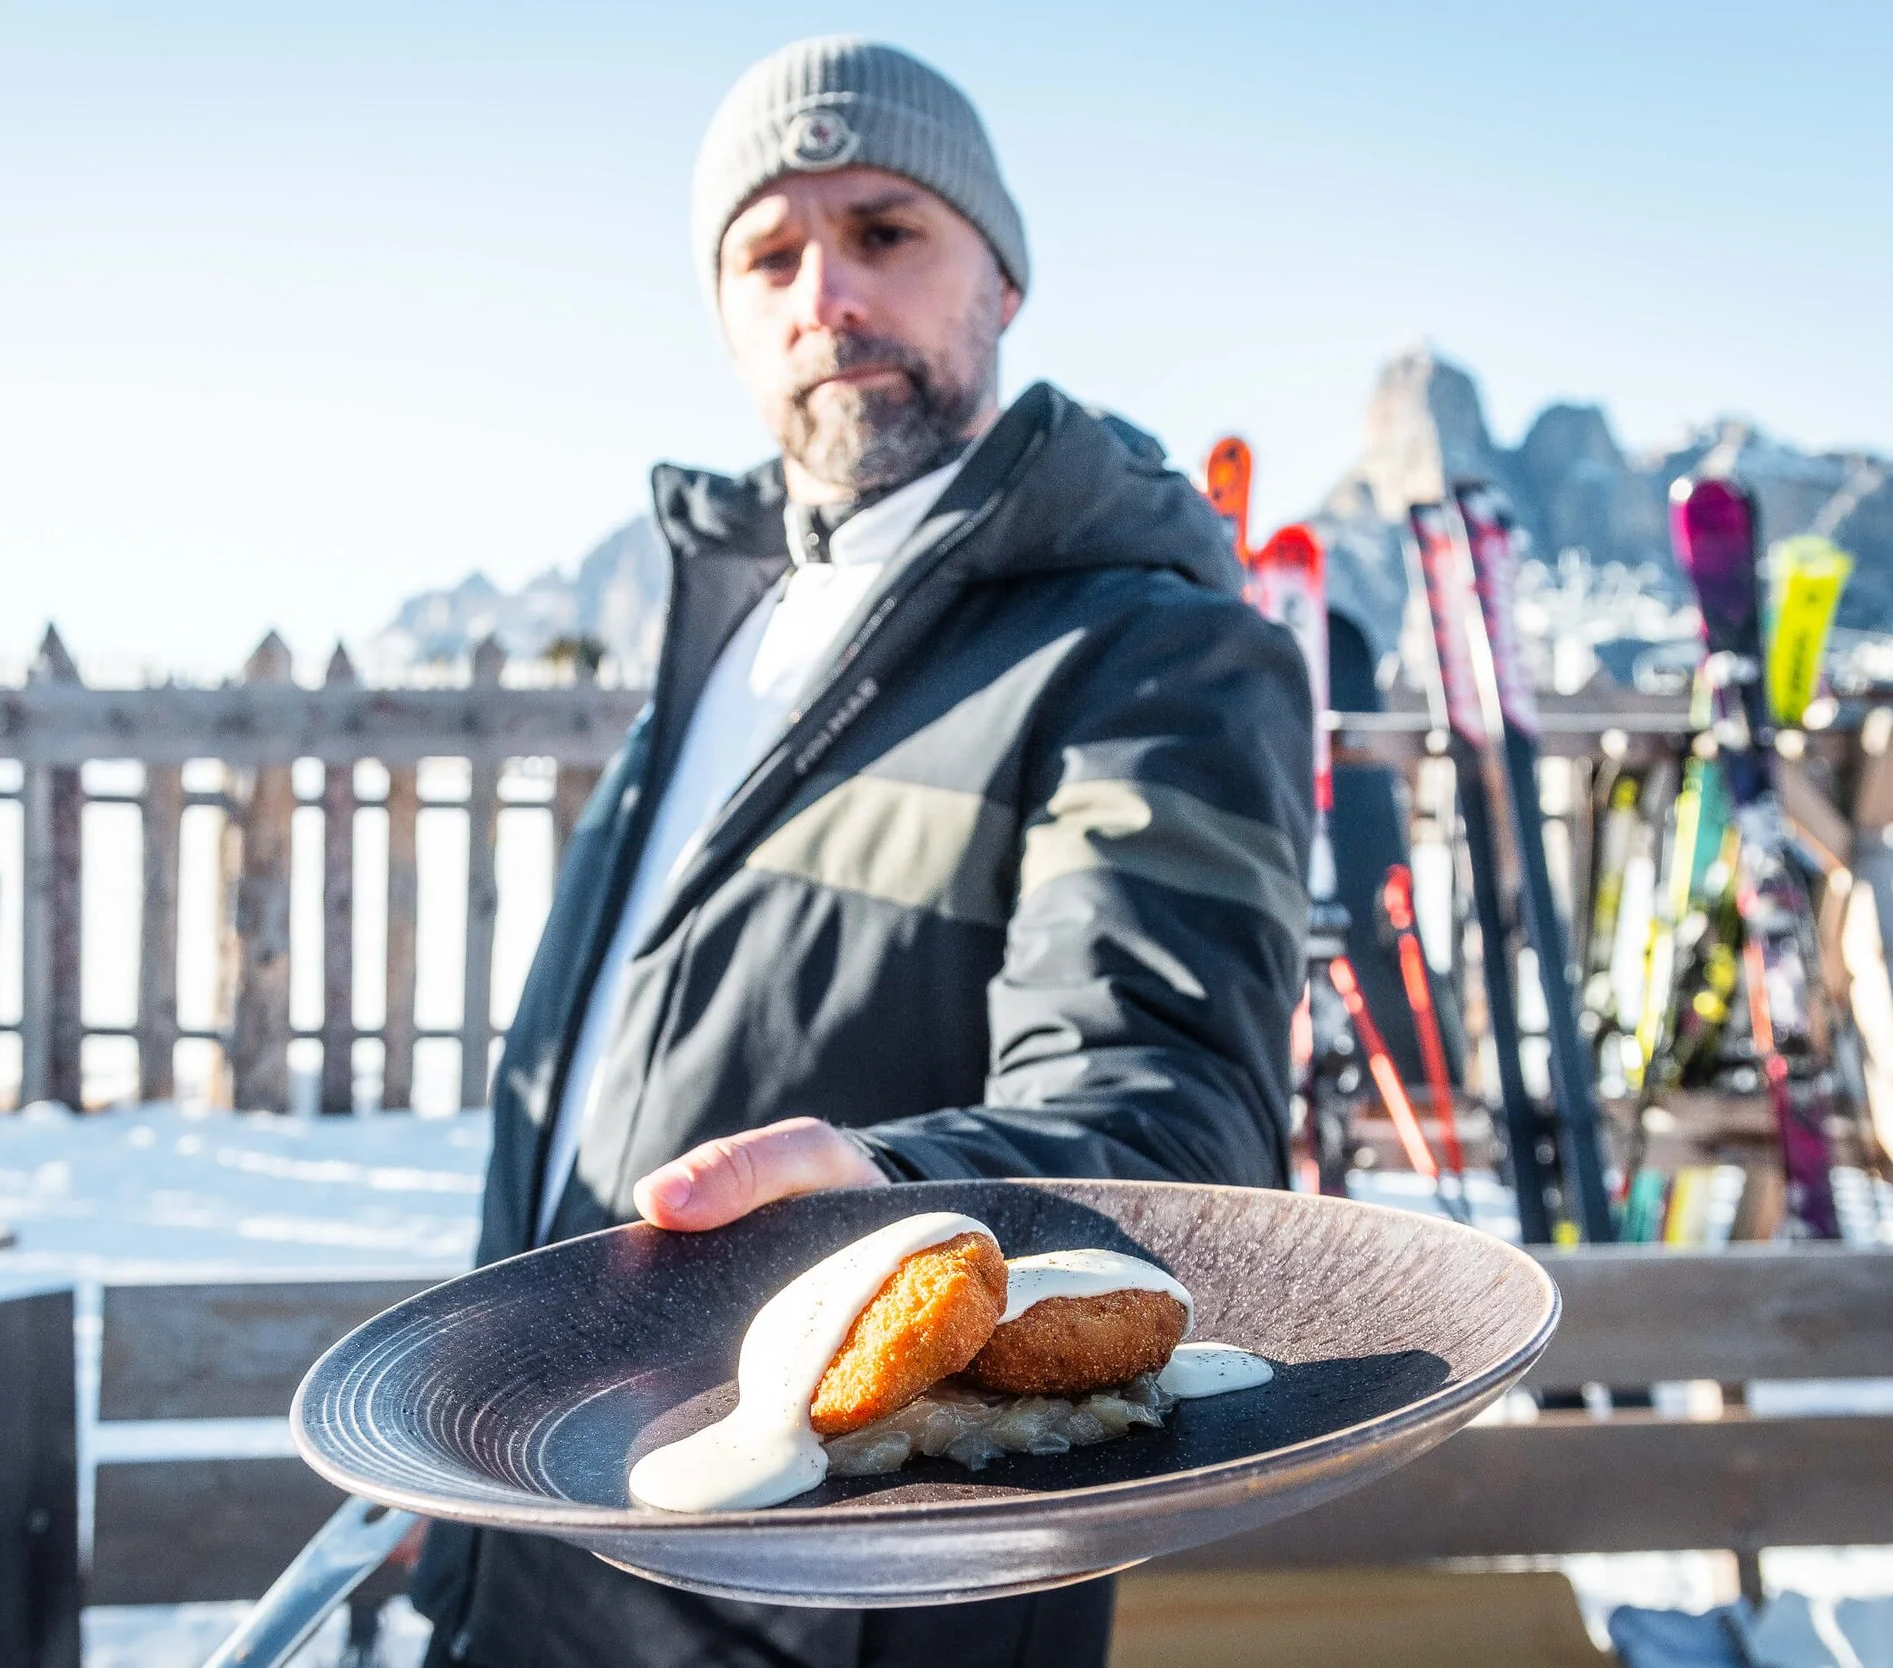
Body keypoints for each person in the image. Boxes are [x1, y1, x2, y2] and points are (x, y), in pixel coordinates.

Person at [411, 35, 1313, 1668]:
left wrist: (896, 1197)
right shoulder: (727, 641)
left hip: (862, 1594)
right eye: (769, 256)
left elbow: (1180, 1126)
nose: (825, 294)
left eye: (885, 231)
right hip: (553, 1558)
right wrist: (470, 1497)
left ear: (1003, 277)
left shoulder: (1150, 655)